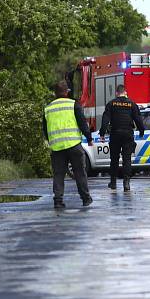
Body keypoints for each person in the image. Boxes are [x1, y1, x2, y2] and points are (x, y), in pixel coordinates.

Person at [42, 80, 93, 209]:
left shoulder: (48, 108)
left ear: (55, 93)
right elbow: (82, 122)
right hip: (74, 144)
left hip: (57, 147)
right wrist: (89, 137)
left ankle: (58, 200)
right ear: (67, 92)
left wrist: (51, 141)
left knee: (58, 174)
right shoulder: (73, 104)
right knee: (79, 172)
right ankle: (86, 198)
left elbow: (45, 129)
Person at [99, 84, 145, 191]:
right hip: (128, 134)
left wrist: (102, 133)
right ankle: (126, 183)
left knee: (114, 159)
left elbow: (105, 119)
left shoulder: (111, 104)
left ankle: (113, 182)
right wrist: (141, 131)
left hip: (115, 134)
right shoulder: (132, 104)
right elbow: (138, 119)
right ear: (125, 92)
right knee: (127, 159)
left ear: (116, 93)